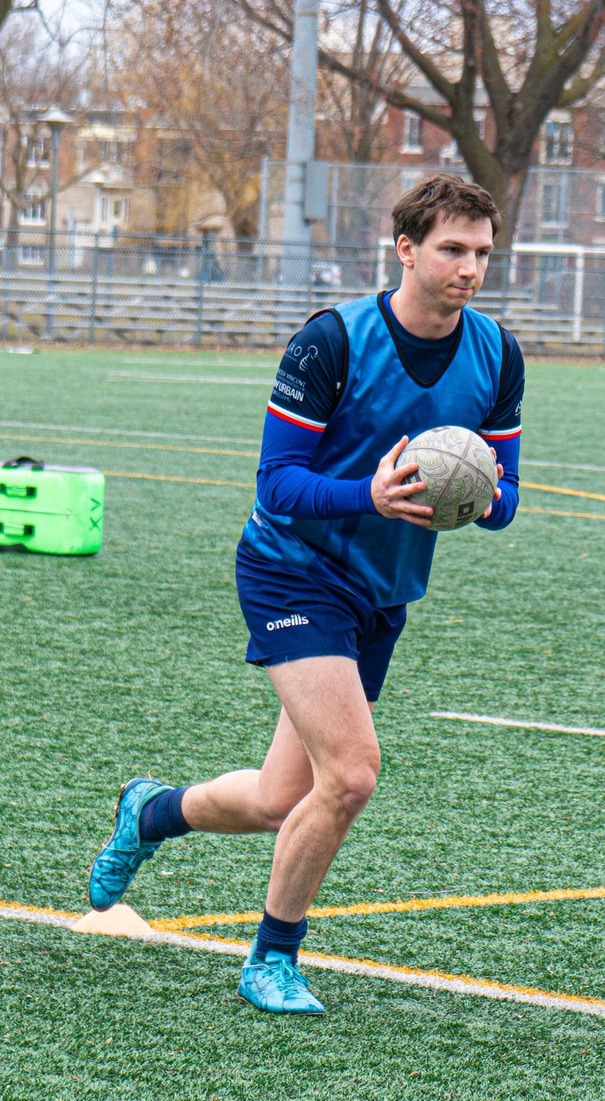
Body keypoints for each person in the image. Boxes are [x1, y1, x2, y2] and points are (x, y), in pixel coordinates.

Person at [86, 175, 525, 1013]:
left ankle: (149, 813)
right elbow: (278, 484)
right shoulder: (333, 341)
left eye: (482, 253)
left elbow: (507, 502)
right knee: (354, 775)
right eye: (452, 249)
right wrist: (371, 494)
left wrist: (475, 496)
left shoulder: (497, 355)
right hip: (292, 568)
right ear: (406, 248)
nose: (470, 268)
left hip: (382, 591)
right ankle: (271, 958)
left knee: (278, 796)